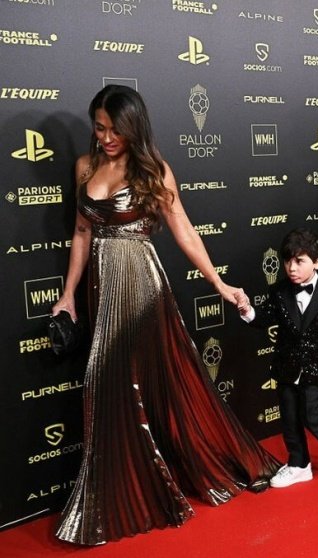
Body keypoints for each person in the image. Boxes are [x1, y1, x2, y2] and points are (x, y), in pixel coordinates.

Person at [51, 85, 281, 545]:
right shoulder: (85, 167)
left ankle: (154, 478)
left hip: (142, 286)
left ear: (134, 126)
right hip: (103, 284)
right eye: (99, 127)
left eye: (116, 128)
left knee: (152, 379)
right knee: (108, 381)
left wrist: (219, 283)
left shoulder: (154, 171)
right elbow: (81, 234)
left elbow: (185, 232)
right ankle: (125, 485)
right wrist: (68, 296)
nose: (107, 136)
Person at [235, 228, 318, 487]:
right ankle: (299, 464)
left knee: (313, 416)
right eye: (287, 261)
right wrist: (247, 310)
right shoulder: (280, 291)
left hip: (317, 366)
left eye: (299, 261)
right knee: (289, 417)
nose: (292, 267)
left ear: (317, 262)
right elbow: (264, 318)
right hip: (287, 365)